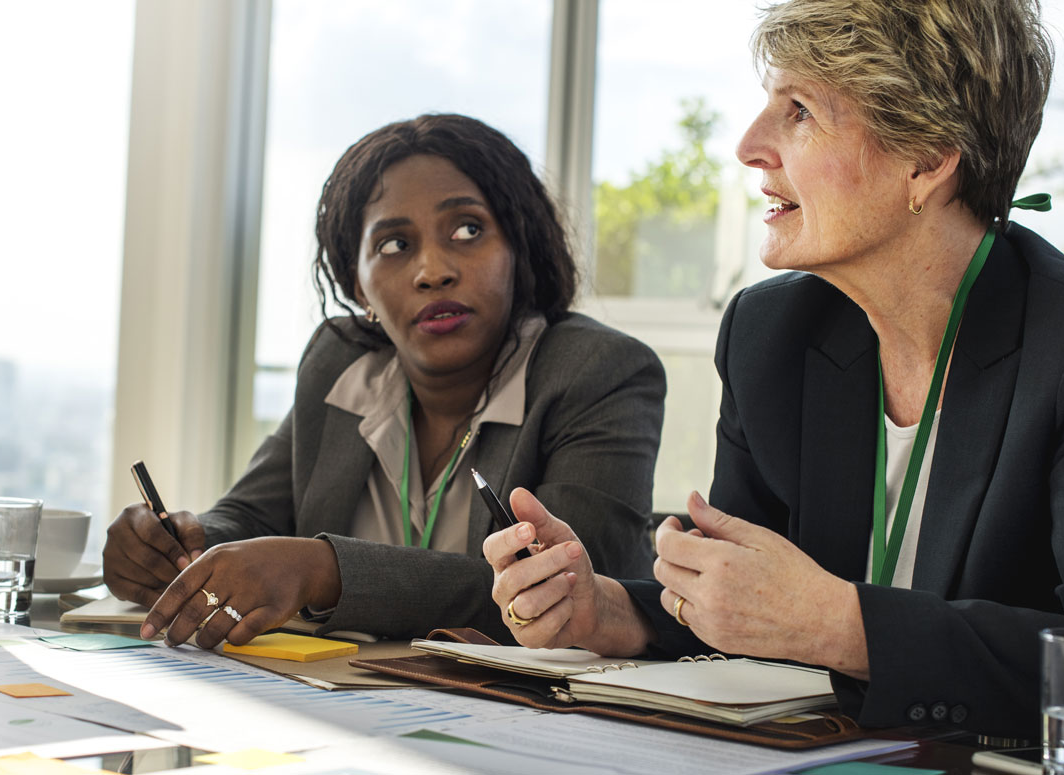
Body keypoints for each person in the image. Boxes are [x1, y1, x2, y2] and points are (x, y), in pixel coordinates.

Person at [483, 0, 1064, 739]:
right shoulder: (769, 333)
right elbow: (748, 609)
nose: (750, 146)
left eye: (800, 112)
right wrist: (605, 609)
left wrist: (844, 625)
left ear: (929, 159)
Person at [103, 114, 665, 649]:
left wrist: (325, 572)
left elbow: (570, 595)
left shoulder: (599, 373)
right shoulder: (341, 365)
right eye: (394, 244)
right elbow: (251, 517)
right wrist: (182, 544)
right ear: (359, 285)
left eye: (468, 230)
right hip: (359, 699)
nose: (433, 270)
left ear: (520, 246)